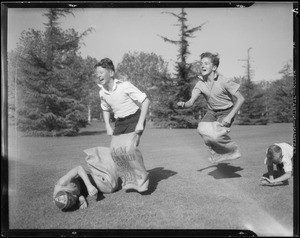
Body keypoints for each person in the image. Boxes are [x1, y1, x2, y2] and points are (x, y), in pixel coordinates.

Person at [177, 52, 245, 164]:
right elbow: (191, 102)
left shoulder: (224, 81)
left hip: (227, 111)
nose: (202, 66)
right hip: (212, 111)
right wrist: (184, 104)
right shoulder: (200, 84)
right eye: (201, 63)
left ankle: (233, 150)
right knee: (201, 129)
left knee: (215, 136)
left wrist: (229, 117)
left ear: (214, 67)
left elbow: (241, 99)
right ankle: (216, 153)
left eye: (206, 63)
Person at [95, 58, 150, 192]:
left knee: (129, 149)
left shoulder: (125, 86)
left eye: (101, 72)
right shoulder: (102, 92)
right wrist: (107, 125)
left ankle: (142, 181)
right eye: (97, 73)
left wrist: (140, 123)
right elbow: (105, 108)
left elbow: (146, 101)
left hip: (134, 118)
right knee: (115, 151)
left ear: (111, 73)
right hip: (120, 122)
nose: (98, 75)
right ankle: (130, 181)